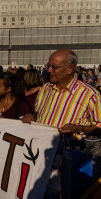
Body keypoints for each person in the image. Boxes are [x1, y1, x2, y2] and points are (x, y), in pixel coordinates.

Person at [21, 49, 101, 180]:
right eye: (48, 66)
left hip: (71, 160)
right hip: (42, 157)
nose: (49, 70)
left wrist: (78, 128)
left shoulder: (90, 95)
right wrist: (32, 117)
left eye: (54, 67)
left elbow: (99, 126)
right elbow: (37, 113)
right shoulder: (45, 89)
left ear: (70, 68)